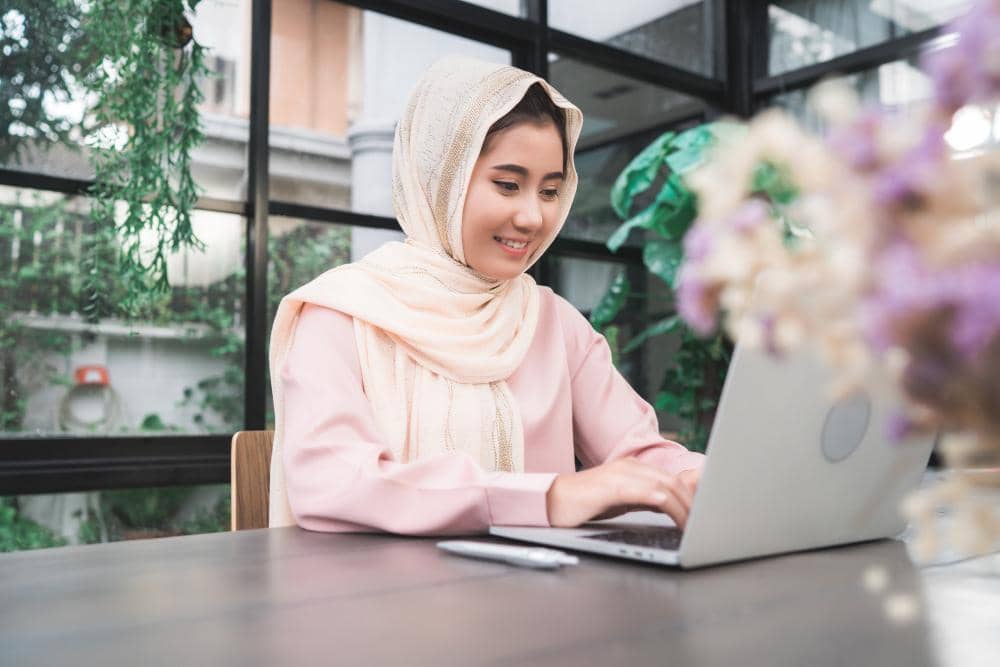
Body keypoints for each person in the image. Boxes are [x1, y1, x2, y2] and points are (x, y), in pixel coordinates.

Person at [268, 56, 705, 535]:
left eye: (550, 191)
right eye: (508, 185)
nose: (533, 218)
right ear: (442, 182)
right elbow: (333, 482)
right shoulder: (340, 314)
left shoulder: (553, 323)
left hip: (542, 600)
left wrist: (696, 477)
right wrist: (551, 496)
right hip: (384, 602)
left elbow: (640, 454)